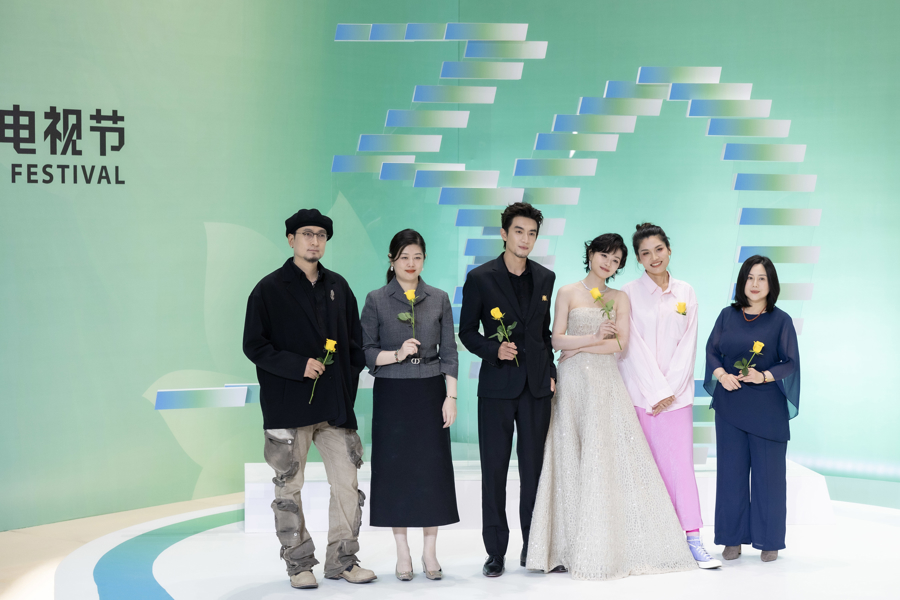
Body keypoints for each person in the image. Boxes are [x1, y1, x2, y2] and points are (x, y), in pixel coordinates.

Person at [526, 233, 697, 580]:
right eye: (604, 255)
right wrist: (591, 339)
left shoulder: (620, 297)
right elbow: (555, 339)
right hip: (573, 385)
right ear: (590, 254)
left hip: (605, 383)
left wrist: (579, 347)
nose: (608, 263)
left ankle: (607, 545)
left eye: (616, 260)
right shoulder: (567, 292)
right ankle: (566, 548)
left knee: (604, 461)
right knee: (570, 460)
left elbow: (620, 345)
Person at [242, 208, 376, 589]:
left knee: (347, 483)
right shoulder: (268, 289)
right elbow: (254, 345)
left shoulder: (339, 287)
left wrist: (345, 390)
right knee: (289, 487)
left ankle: (342, 560)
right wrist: (297, 365)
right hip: (288, 405)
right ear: (291, 240)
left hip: (333, 407)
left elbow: (354, 346)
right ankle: (298, 563)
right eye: (306, 234)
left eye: (320, 235)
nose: (314, 241)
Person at [458, 202, 557, 577]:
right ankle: (495, 552)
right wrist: (493, 349)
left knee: (534, 473)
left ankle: (534, 547)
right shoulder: (480, 277)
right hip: (497, 387)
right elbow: (467, 332)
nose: (525, 239)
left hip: (536, 389)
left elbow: (544, 334)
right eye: (519, 231)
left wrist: (551, 372)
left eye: (532, 233)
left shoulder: (545, 277)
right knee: (494, 471)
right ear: (504, 233)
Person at [617, 223, 721, 569]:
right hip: (639, 396)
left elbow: (688, 346)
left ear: (669, 249)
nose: (653, 258)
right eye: (645, 253)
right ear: (638, 259)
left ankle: (693, 539)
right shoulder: (628, 293)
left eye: (658, 249)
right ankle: (649, 542)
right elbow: (631, 346)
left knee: (680, 469)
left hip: (677, 400)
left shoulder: (685, 292)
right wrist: (655, 391)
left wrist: (670, 392)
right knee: (642, 469)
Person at [360, 229, 460, 581]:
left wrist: (451, 396)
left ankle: (429, 551)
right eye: (404, 257)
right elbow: (366, 351)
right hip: (392, 392)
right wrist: (397, 354)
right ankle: (402, 551)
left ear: (424, 260)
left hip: (430, 390)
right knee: (395, 471)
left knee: (432, 470)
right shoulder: (376, 299)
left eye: (417, 256)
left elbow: (450, 352)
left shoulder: (439, 298)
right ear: (392, 261)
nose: (411, 263)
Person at [704, 255, 800, 562]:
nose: (755, 284)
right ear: (742, 282)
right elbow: (711, 351)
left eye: (762, 278)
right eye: (750, 277)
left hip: (767, 410)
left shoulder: (781, 320)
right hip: (730, 406)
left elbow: (790, 363)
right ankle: (731, 538)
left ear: (771, 284)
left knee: (769, 478)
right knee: (730, 475)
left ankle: (769, 540)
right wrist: (721, 375)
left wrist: (764, 375)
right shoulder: (727, 316)